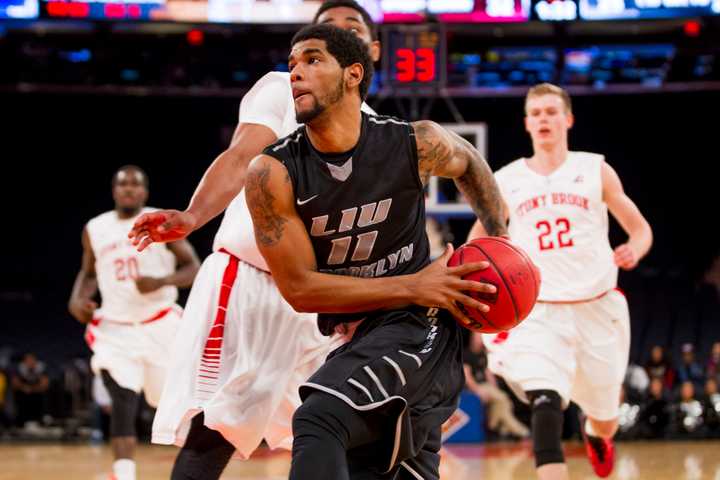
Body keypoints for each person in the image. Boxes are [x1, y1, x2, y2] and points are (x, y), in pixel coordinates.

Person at [128, 3, 385, 479]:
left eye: (351, 28)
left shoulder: (381, 133)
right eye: (325, 29)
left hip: (318, 300)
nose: (336, 34)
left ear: (369, 53)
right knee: (218, 431)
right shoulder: (283, 88)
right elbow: (243, 153)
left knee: (331, 431)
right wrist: (192, 215)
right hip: (252, 279)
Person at [243, 24, 507, 479]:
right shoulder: (272, 173)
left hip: (419, 326)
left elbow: (470, 161)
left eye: (312, 60)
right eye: (291, 65)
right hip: (360, 332)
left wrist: (499, 240)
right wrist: (414, 283)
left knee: (319, 418)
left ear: (353, 74)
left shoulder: (413, 142)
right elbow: (301, 290)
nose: (295, 74)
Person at [468, 82, 653, 479]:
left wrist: (635, 249)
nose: (543, 120)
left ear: (567, 119)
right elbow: (477, 241)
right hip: (538, 311)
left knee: (605, 418)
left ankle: (597, 434)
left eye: (551, 112)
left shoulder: (594, 169)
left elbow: (640, 229)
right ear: (526, 124)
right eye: (535, 114)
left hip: (597, 306)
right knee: (545, 399)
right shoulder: (507, 179)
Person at [69, 165, 200, 480]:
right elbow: (88, 273)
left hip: (160, 325)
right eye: (123, 184)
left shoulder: (161, 220)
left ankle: (196, 466)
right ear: (114, 190)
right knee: (123, 398)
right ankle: (123, 473)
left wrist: (161, 280)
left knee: (171, 402)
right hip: (116, 328)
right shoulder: (95, 228)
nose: (129, 189)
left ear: (145, 192)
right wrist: (77, 300)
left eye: (135, 185)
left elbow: (193, 267)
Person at [463, 333, 529, 438]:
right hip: (475, 387)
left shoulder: (483, 353)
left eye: (481, 338)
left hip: (487, 387)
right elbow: (467, 377)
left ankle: (499, 428)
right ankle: (519, 431)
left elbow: (488, 373)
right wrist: (477, 390)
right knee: (502, 399)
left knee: (502, 400)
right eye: (478, 337)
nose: (480, 340)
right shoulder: (466, 354)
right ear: (472, 338)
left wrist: (495, 387)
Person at [10, 352, 50, 429]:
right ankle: (22, 422)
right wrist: (24, 387)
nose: (30, 362)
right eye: (28, 360)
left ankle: (40, 420)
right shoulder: (20, 368)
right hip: (23, 394)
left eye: (32, 360)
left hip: (37, 394)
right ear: (24, 362)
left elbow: (45, 384)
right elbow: (15, 383)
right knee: (20, 395)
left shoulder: (40, 368)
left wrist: (32, 389)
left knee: (41, 396)